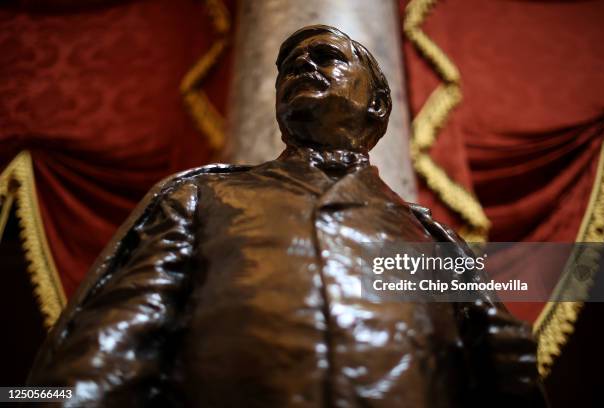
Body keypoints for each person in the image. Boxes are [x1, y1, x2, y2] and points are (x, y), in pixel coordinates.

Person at [29, 25, 544, 407]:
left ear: (378, 104)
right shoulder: (207, 195)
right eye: (289, 67)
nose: (301, 67)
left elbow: (501, 363)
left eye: (325, 57)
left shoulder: (426, 235)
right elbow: (119, 334)